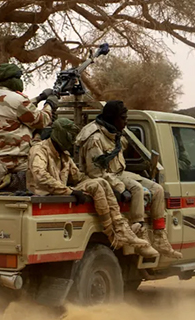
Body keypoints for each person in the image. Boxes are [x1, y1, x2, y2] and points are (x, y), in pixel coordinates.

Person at [28, 118, 158, 256]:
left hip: (61, 190)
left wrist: (109, 187)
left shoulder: (63, 154)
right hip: (45, 192)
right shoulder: (39, 150)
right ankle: (112, 233)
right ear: (61, 134)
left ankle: (121, 229)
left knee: (100, 182)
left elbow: (77, 176)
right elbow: (40, 175)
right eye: (70, 136)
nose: (72, 141)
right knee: (96, 184)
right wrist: (69, 191)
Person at [76, 100, 182, 259]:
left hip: (118, 172)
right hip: (103, 176)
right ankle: (140, 235)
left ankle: (160, 237)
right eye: (123, 118)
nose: (126, 122)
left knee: (157, 189)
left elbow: (119, 153)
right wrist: (119, 187)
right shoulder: (95, 139)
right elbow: (95, 173)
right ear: (113, 118)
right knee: (137, 189)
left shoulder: (114, 133)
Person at [0, 63, 59, 173]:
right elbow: (42, 120)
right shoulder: (18, 100)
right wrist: (50, 104)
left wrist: (39, 98)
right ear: (12, 79)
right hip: (13, 161)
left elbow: (16, 108)